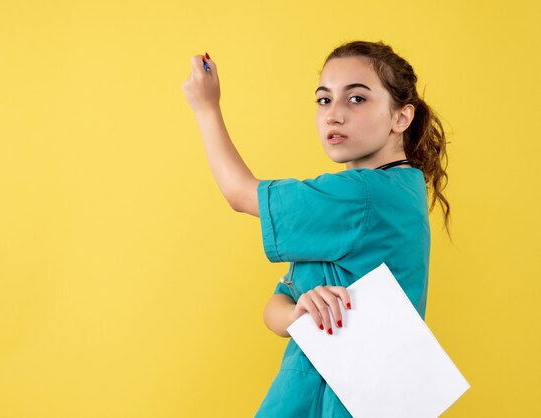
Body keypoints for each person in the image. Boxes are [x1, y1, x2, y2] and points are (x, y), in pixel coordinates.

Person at [182, 40, 451, 417]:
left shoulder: (365, 194)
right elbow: (277, 305)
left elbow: (240, 193)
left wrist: (206, 106)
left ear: (401, 118)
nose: (333, 115)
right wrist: (297, 315)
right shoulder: (394, 191)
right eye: (324, 100)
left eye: (356, 99)